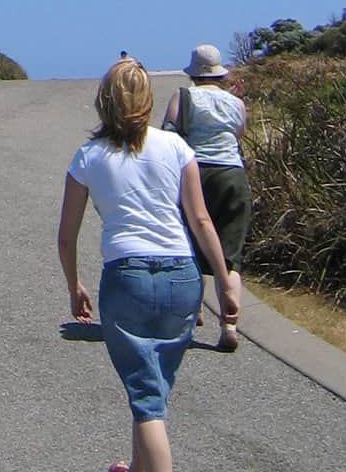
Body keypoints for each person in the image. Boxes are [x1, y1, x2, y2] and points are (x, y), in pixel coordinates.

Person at [57, 58, 239, 472]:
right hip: (182, 277)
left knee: (146, 401)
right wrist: (225, 280)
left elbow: (66, 236)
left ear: (105, 101)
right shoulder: (176, 148)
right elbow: (201, 219)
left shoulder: (88, 157)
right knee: (153, 388)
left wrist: (75, 286)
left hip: (128, 279)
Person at [162, 44, 249, 352]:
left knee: (190, 244)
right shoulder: (236, 103)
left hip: (195, 173)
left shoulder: (183, 97)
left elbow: (169, 134)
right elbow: (238, 136)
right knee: (230, 255)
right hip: (232, 176)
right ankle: (229, 324)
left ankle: (192, 312)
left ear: (194, 73)